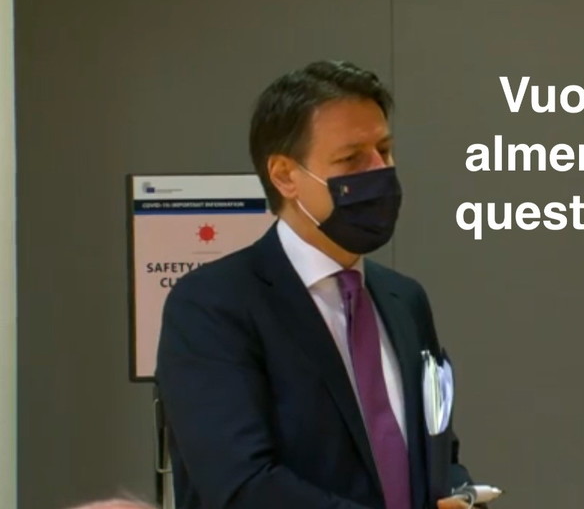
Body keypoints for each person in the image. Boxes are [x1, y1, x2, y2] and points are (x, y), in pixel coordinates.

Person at [156, 60, 479, 509]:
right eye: (351, 158)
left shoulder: (404, 300)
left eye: (384, 150)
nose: (379, 171)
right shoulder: (213, 304)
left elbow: (437, 450)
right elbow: (240, 485)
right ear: (285, 175)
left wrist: (463, 494)